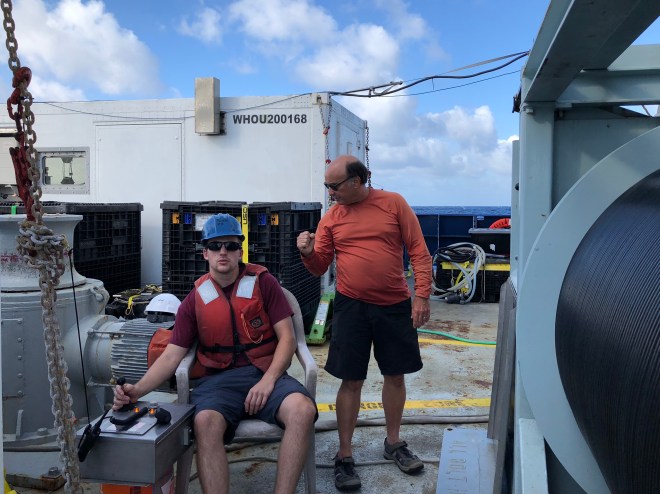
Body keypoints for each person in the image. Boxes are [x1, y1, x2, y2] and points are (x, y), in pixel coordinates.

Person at [113, 213, 318, 494]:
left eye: (231, 245)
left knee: (302, 410)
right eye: (215, 245)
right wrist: (136, 390)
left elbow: (288, 338)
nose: (223, 251)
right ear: (205, 253)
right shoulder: (194, 300)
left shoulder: (265, 284)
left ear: (240, 251)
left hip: (265, 374)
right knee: (204, 421)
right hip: (218, 382)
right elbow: (172, 356)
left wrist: (268, 381)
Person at [297, 155, 432, 491]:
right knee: (351, 380)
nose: (330, 192)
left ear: (356, 181)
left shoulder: (394, 203)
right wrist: (308, 252)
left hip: (394, 305)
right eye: (327, 185)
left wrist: (422, 295)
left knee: (395, 375)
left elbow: (418, 250)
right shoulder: (331, 218)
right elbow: (319, 266)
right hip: (351, 307)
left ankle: (394, 443)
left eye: (334, 186)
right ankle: (344, 454)